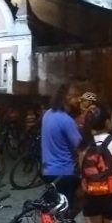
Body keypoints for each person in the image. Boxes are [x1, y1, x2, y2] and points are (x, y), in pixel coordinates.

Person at [41, 84, 83, 214]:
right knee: (68, 207)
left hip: (48, 170)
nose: (78, 100)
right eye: (75, 97)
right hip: (64, 172)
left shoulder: (48, 114)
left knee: (56, 207)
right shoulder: (66, 120)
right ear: (66, 98)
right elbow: (81, 148)